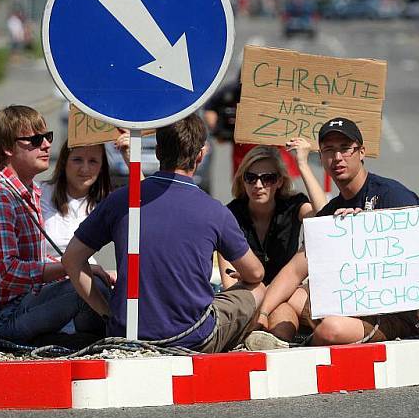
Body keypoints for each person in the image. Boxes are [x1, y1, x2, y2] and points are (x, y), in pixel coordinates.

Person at [62, 114, 266, 353]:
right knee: (258, 289)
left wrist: (109, 312)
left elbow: (71, 259)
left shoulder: (121, 200)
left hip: (126, 333)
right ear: (200, 155)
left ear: (158, 152)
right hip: (193, 337)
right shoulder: (214, 211)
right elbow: (255, 273)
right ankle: (238, 342)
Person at [245, 117, 419, 350]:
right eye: (329, 150)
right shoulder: (331, 212)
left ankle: (299, 350)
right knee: (284, 302)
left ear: (361, 152)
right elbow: (295, 269)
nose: (337, 158)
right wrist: (262, 314)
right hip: (348, 304)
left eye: (345, 149)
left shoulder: (393, 195)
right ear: (322, 157)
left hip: (399, 313)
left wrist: (365, 231)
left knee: (332, 328)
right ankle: (276, 343)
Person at [0, 105, 114, 343]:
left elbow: (36, 262)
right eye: (35, 140)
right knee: (83, 290)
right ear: (7, 148)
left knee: (93, 285)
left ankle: (98, 342)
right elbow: (7, 273)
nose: (46, 145)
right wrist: (72, 267)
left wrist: (84, 269)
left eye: (48, 137)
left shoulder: (27, 193)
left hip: (17, 307)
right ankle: (114, 331)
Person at [220, 140, 326, 288]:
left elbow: (323, 216)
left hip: (286, 292)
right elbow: (229, 281)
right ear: (242, 181)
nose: (258, 185)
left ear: (280, 182)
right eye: (250, 177)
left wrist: (302, 163)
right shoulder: (230, 214)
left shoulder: (293, 205)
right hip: (247, 294)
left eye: (268, 178)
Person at [39, 133, 131, 261]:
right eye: (77, 160)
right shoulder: (38, 193)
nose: (85, 169)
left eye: (93, 161)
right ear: (64, 162)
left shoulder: (106, 202)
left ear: (101, 168)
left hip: (85, 277)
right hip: (44, 277)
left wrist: (129, 157)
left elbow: (145, 206)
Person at [204, 71, 300, 178]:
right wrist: (217, 128)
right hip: (243, 151)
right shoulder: (232, 91)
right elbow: (209, 107)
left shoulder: (276, 93)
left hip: (273, 151)